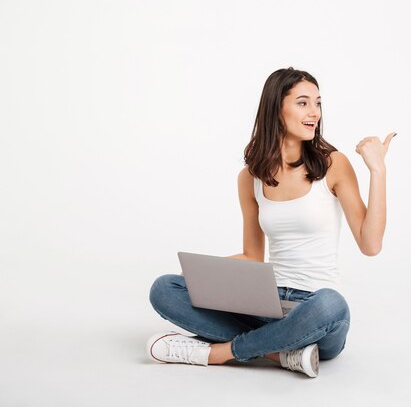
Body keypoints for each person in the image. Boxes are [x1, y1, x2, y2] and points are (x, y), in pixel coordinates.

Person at [146, 67, 395, 378]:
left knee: (332, 304)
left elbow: (370, 245)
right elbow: (252, 255)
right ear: (276, 108)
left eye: (318, 103)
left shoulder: (334, 164)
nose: (314, 113)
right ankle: (281, 353)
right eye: (303, 103)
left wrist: (378, 171)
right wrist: (199, 276)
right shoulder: (250, 178)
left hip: (315, 311)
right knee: (164, 288)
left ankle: (219, 353)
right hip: (267, 306)